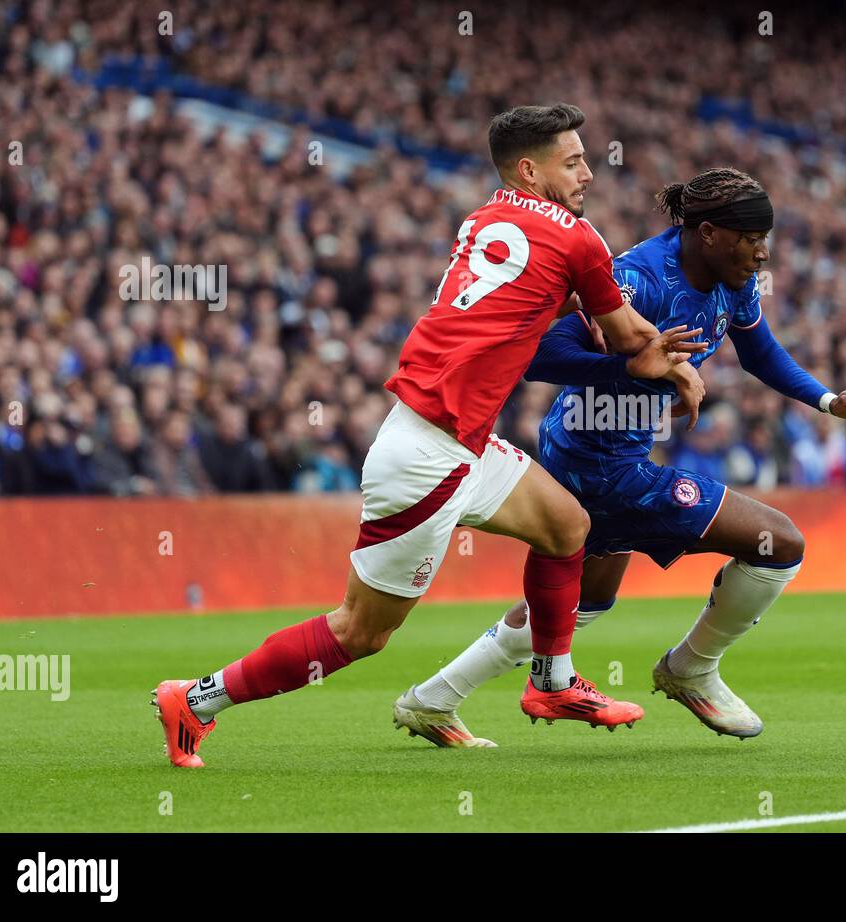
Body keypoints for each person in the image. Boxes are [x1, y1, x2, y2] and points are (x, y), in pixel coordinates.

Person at [151, 103, 708, 767]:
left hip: (451, 439)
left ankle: (551, 682)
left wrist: (607, 331)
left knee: (567, 526)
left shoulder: (485, 219)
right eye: (574, 161)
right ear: (530, 169)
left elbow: (527, 305)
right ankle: (196, 699)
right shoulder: (577, 238)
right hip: (429, 458)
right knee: (359, 633)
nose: (590, 171)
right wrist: (672, 366)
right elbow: (627, 338)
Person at [395, 168, 846, 747]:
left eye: (766, 239)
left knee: (578, 603)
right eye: (750, 239)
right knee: (779, 543)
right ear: (707, 233)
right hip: (598, 458)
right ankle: (691, 668)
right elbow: (544, 352)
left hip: (605, 448)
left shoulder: (732, 280)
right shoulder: (639, 277)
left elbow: (759, 354)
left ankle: (432, 701)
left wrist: (830, 401)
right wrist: (632, 366)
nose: (761, 253)